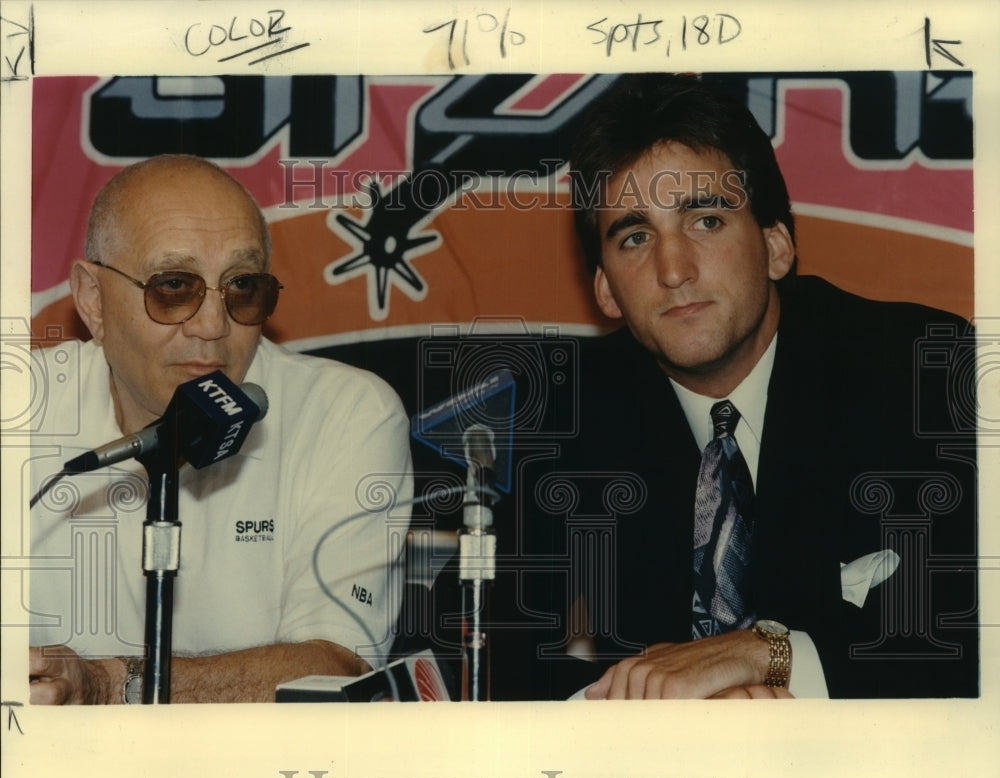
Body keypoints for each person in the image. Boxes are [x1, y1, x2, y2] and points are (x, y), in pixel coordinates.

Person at [521, 73, 977, 700]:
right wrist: (638, 699)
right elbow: (478, 656)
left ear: (776, 246)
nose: (673, 270)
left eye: (706, 220)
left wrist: (767, 655)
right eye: (634, 236)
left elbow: (965, 629)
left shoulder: (919, 368)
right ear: (604, 288)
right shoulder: (558, 412)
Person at [28, 154, 413, 704]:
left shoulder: (345, 411)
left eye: (242, 287)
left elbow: (337, 668)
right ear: (93, 300)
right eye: (174, 286)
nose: (213, 327)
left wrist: (110, 684)